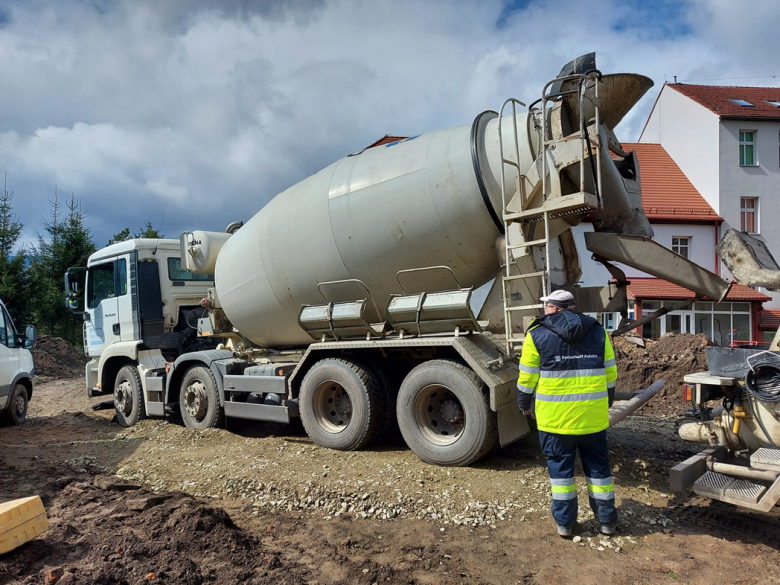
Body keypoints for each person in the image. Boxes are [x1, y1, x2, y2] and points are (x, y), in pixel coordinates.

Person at [516, 289, 619, 538]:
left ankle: (565, 524)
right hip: (592, 419)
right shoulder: (598, 331)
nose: (544, 310)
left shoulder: (536, 334)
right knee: (599, 471)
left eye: (546, 306)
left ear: (553, 308)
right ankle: (606, 522)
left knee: (561, 475)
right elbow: (610, 375)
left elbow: (527, 378)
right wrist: (607, 403)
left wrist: (524, 404)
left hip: (555, 422)